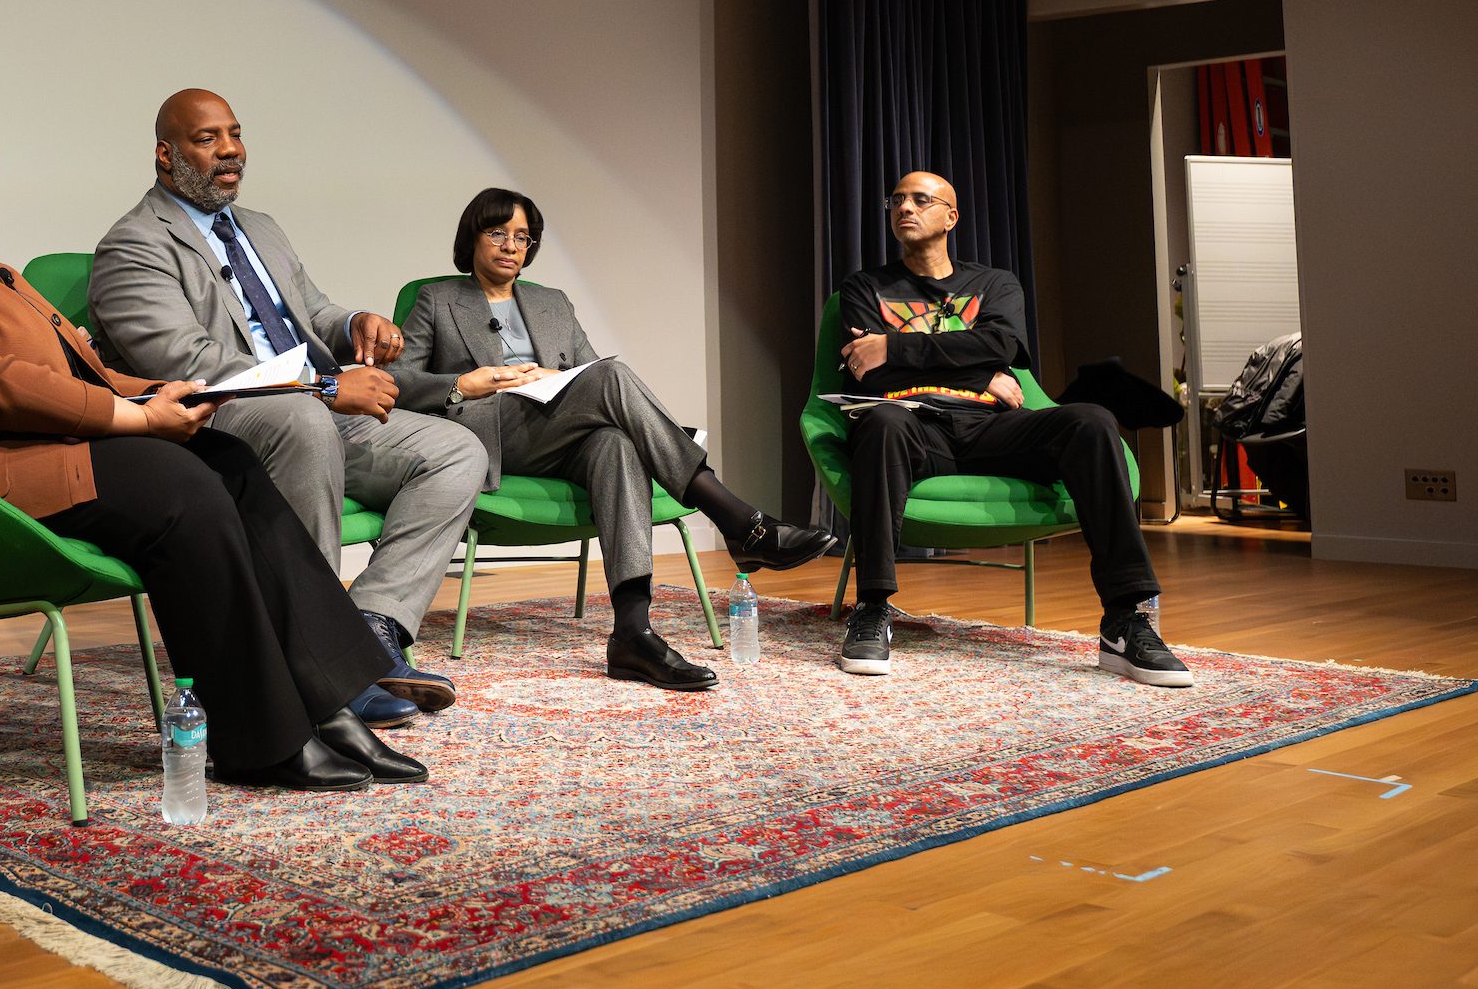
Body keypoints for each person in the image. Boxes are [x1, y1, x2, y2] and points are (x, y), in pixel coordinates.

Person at [0, 91, 426, 793]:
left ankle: (328, 701)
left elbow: (80, 369)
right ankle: (259, 738)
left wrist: (159, 396)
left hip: (31, 453)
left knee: (226, 459)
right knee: (181, 492)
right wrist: (131, 419)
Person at [87, 89, 483, 730]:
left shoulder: (261, 228)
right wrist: (322, 390)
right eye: (207, 138)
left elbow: (312, 315)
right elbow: (189, 362)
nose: (230, 151)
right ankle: (321, 660)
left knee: (455, 451)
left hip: (312, 410)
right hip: (217, 424)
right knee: (299, 422)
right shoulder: (133, 246)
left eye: (235, 135)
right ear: (166, 155)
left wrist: (358, 321)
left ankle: (372, 630)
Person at [395, 189, 836, 689]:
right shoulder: (437, 299)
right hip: (491, 433)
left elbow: (589, 377)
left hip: (556, 431)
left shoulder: (551, 302)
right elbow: (398, 383)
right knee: (612, 378)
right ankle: (738, 521)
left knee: (616, 444)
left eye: (523, 237)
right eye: (498, 233)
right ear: (472, 237)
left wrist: (547, 377)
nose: (511, 246)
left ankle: (632, 633)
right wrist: (463, 383)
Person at [832, 171, 1191, 687]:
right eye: (896, 200)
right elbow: (871, 369)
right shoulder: (865, 287)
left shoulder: (995, 284)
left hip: (991, 429)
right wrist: (978, 370)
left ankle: (1125, 618)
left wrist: (895, 346)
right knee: (881, 420)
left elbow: (1003, 345)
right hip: (913, 425)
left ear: (951, 216)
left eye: (920, 199)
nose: (904, 208)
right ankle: (872, 607)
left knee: (1091, 420)